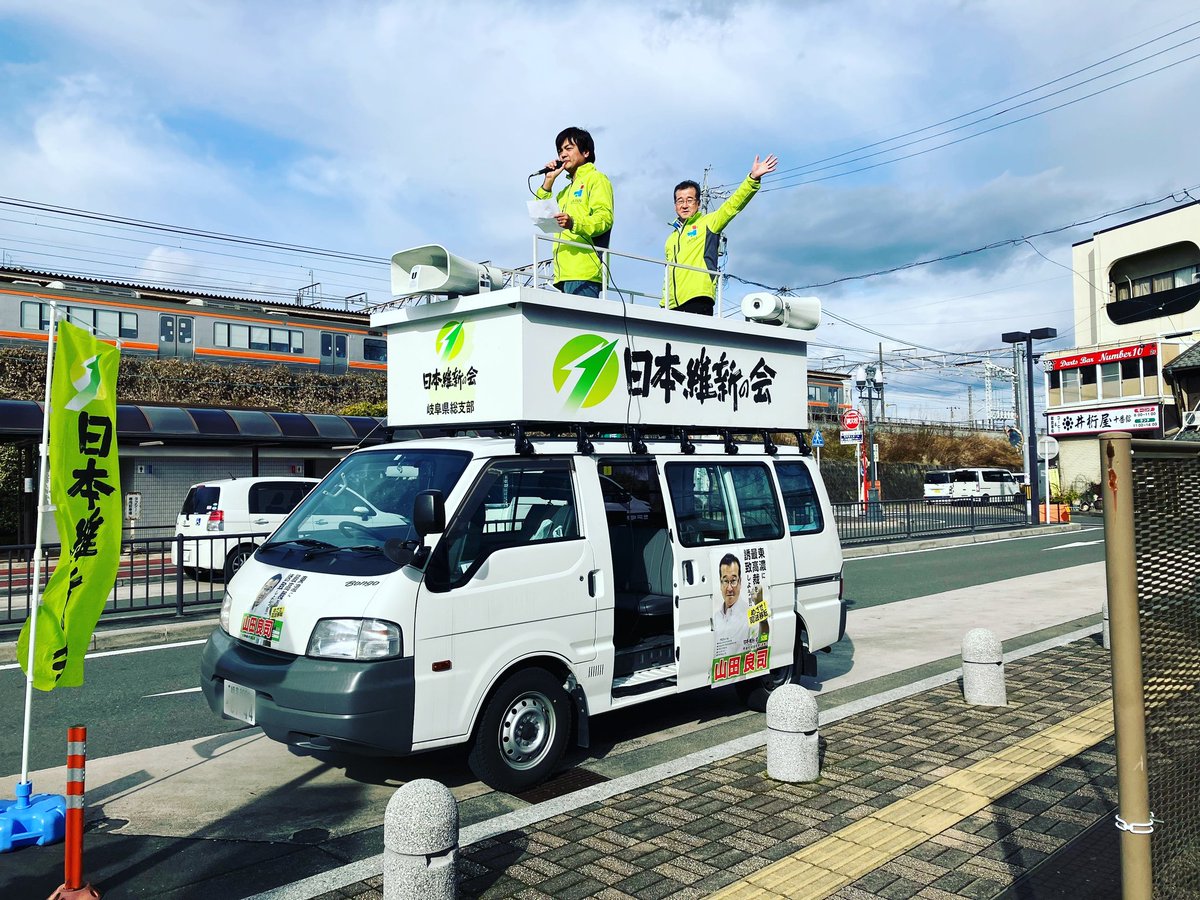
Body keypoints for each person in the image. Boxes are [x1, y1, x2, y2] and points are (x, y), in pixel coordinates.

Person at [663, 154, 778, 315]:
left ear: (698, 203)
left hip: (698, 299)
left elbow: (732, 206)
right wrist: (664, 303)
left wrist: (752, 179)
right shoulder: (671, 238)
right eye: (680, 201)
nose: (684, 205)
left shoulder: (708, 222)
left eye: (689, 200)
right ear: (675, 205)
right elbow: (668, 274)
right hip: (671, 305)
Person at [533, 127, 614, 297]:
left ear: (585, 152)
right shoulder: (564, 192)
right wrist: (548, 182)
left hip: (585, 273)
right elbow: (541, 218)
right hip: (562, 275)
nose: (563, 154)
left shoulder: (596, 179)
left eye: (569, 148)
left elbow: (604, 219)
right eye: (560, 150)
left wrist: (573, 223)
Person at [713, 552, 752, 655]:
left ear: (740, 582)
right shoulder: (715, 617)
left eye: (733, 581)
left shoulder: (750, 615)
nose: (729, 588)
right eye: (725, 581)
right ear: (720, 583)